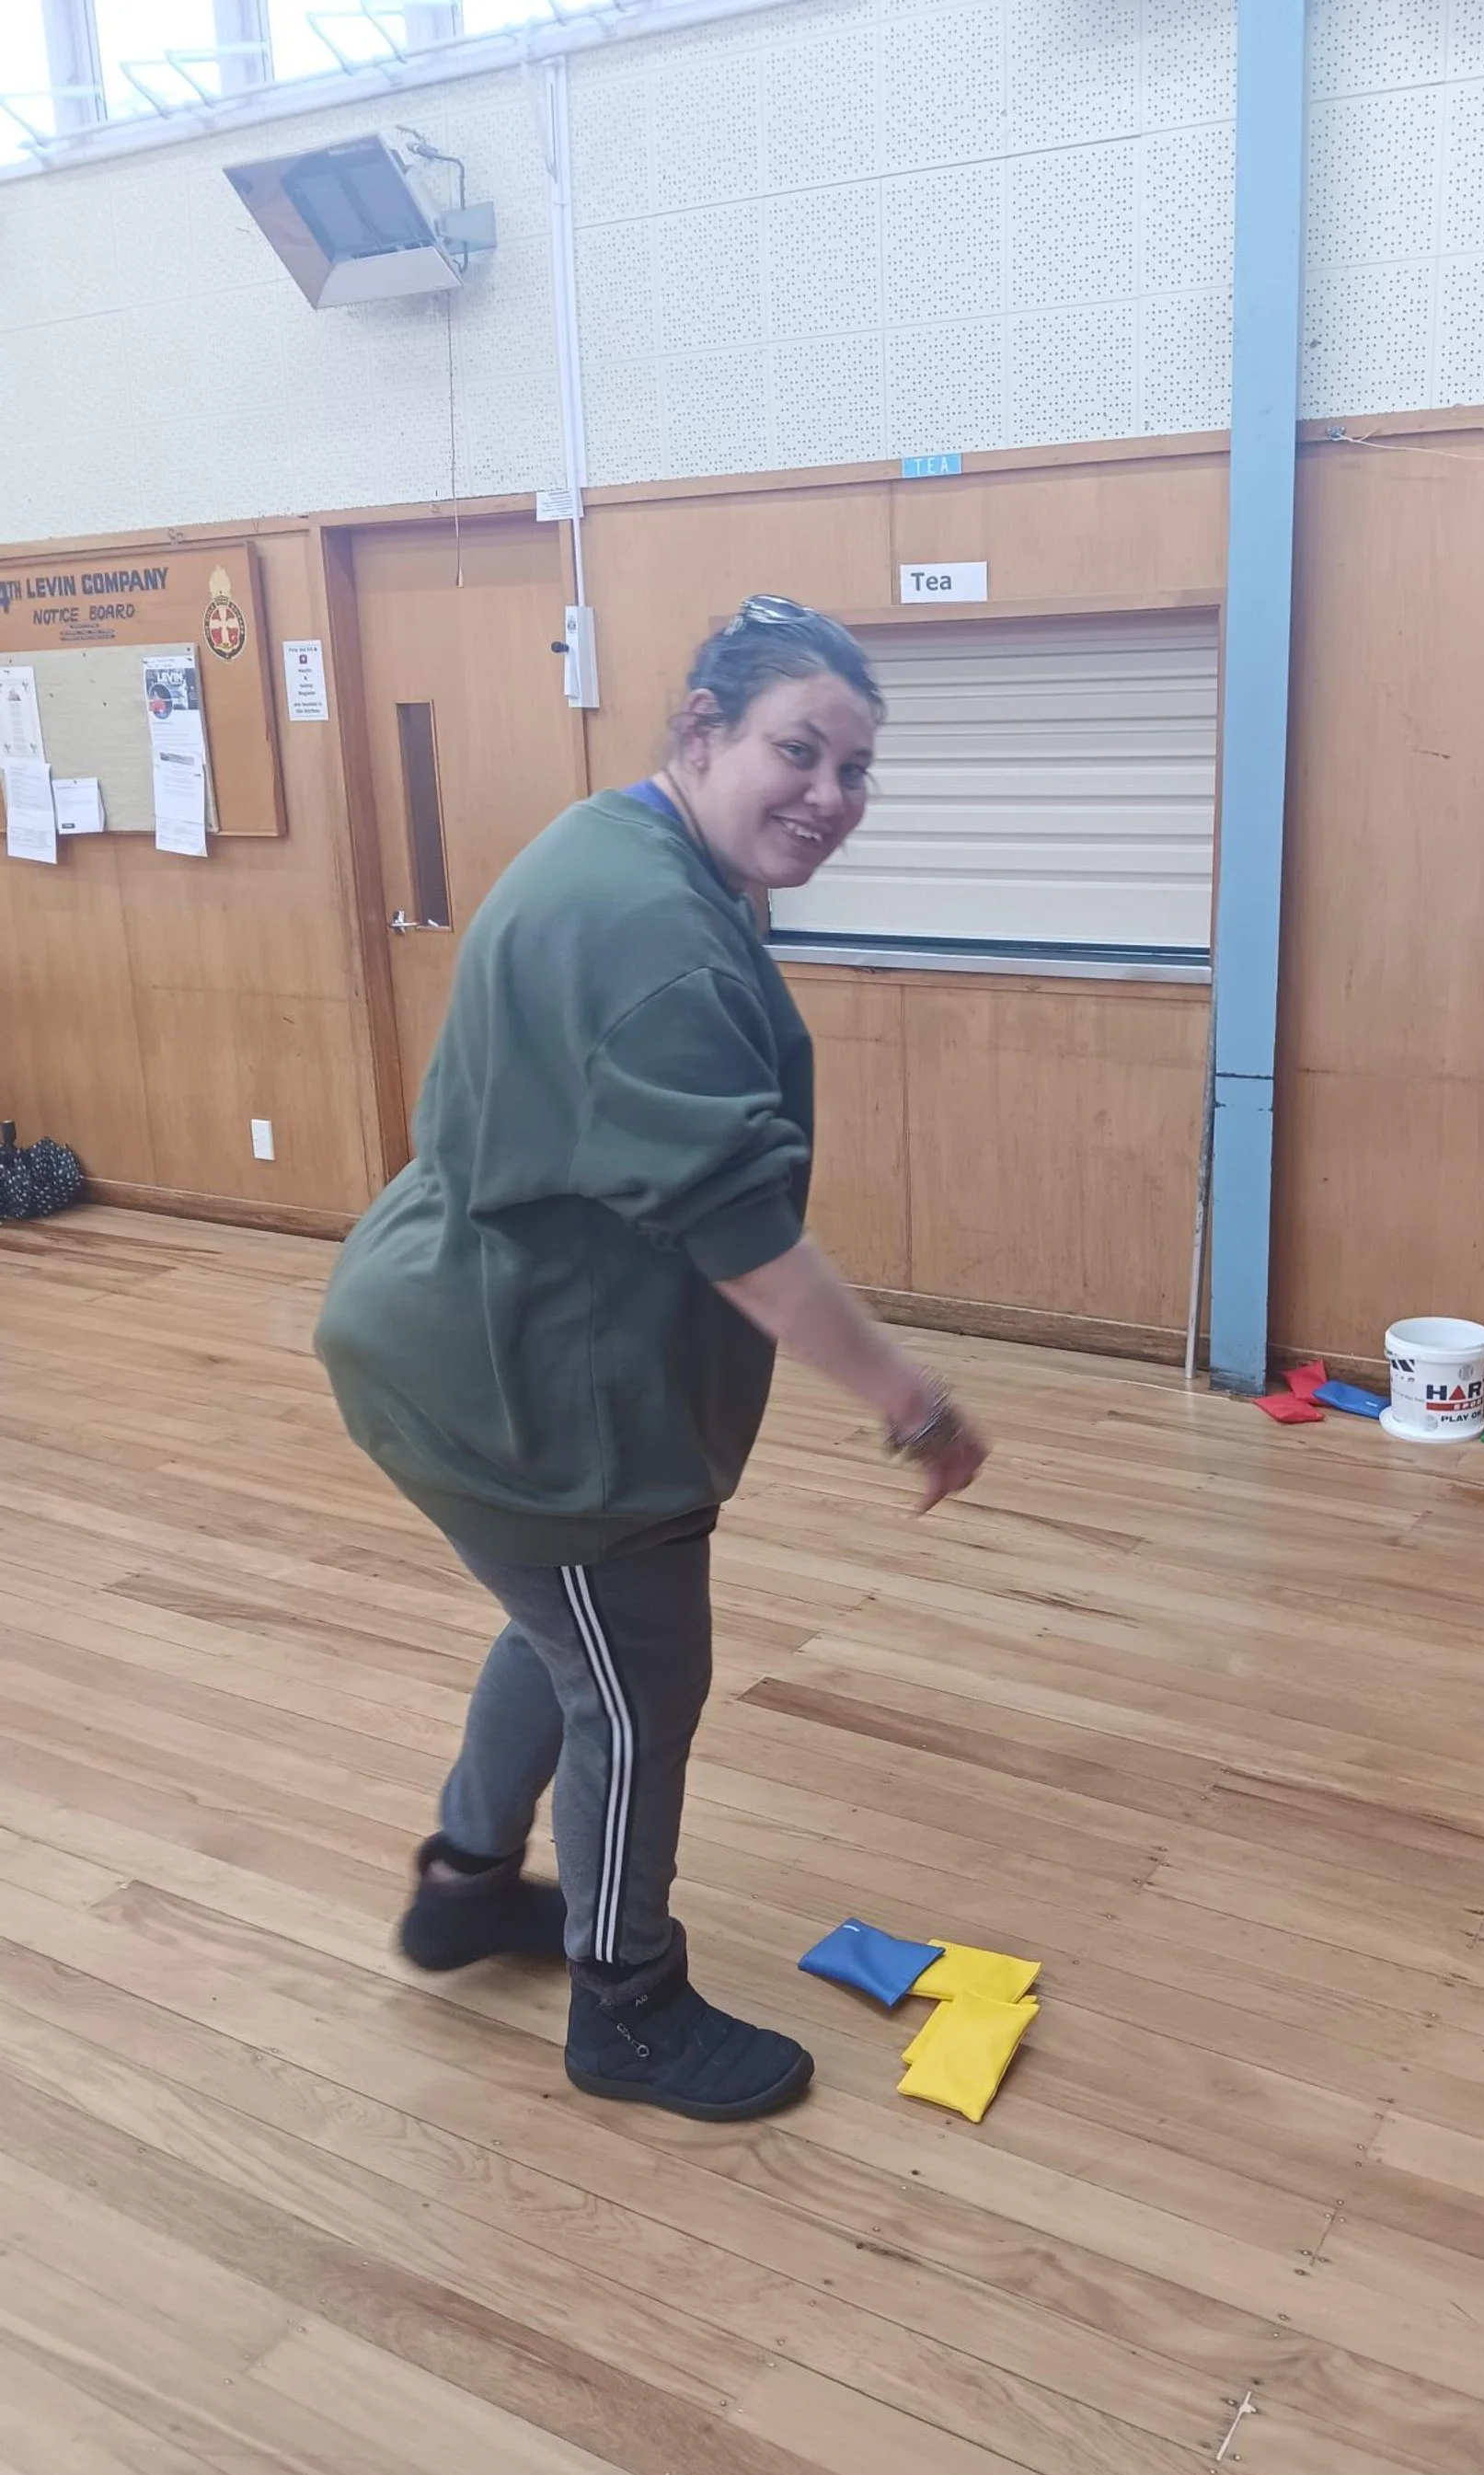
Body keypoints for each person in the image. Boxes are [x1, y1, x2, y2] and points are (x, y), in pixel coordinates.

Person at [316, 596, 988, 2123]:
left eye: (856, 769)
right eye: (798, 751)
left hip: (467, 1322)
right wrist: (915, 1406)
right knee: (635, 1689)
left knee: (569, 1635)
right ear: (701, 728)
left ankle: (466, 1887)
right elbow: (748, 1245)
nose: (831, 795)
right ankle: (625, 2006)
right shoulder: (654, 934)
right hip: (524, 1385)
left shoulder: (626, 844)